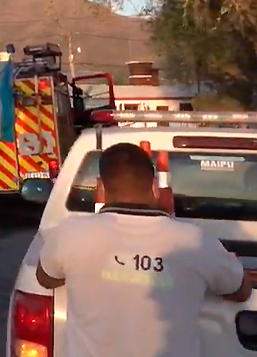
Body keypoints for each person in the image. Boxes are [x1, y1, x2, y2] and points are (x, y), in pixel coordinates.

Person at [36, 142, 252, 357]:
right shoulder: (197, 241)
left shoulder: (70, 234)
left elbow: (46, 278)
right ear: (155, 188)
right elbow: (241, 291)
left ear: (100, 188)